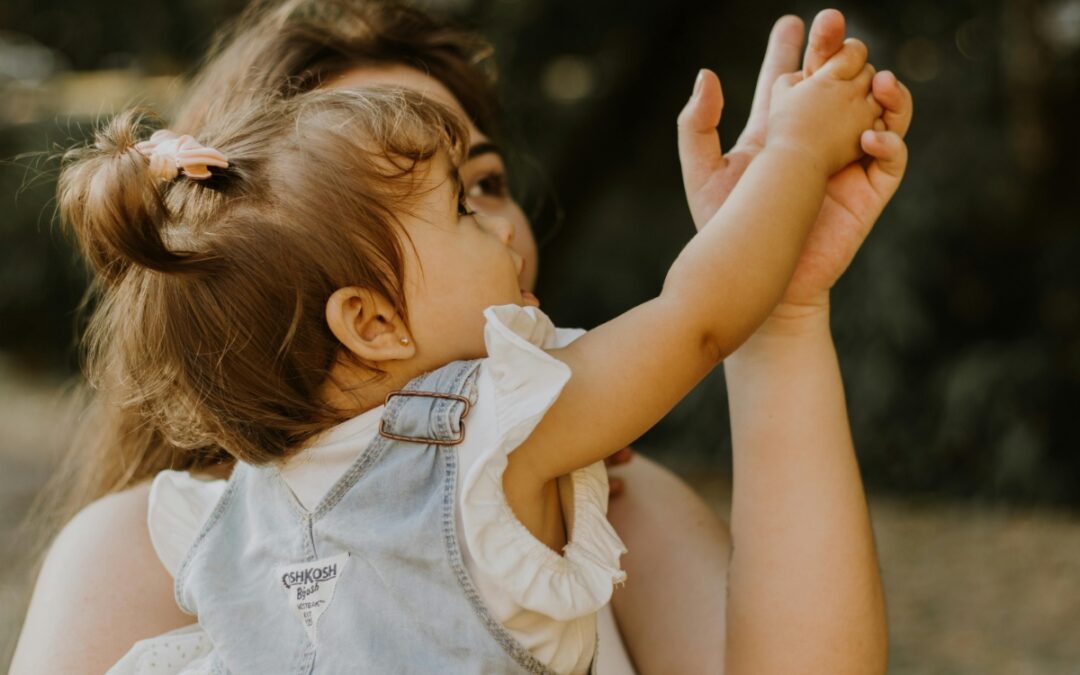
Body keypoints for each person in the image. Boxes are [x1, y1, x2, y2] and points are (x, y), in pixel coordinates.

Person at [9, 2, 912, 673]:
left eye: (487, 179)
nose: (504, 228)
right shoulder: (152, 545)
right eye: (453, 203)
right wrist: (788, 170)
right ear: (366, 318)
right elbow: (697, 315)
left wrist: (783, 310)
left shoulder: (626, 504)